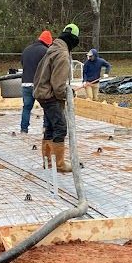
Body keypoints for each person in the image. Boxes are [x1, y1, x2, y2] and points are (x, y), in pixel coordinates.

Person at [33, 23, 80, 172]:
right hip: (50, 96)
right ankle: (59, 164)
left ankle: (48, 162)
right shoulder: (63, 55)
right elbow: (58, 84)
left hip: (42, 93)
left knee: (50, 127)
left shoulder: (52, 49)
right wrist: (67, 95)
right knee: (60, 127)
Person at [19, 30, 53, 133]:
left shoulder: (26, 50)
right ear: (48, 42)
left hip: (25, 83)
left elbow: (22, 64)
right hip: (39, 84)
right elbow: (48, 68)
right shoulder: (45, 51)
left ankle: (23, 129)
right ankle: (45, 128)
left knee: (27, 107)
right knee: (47, 106)